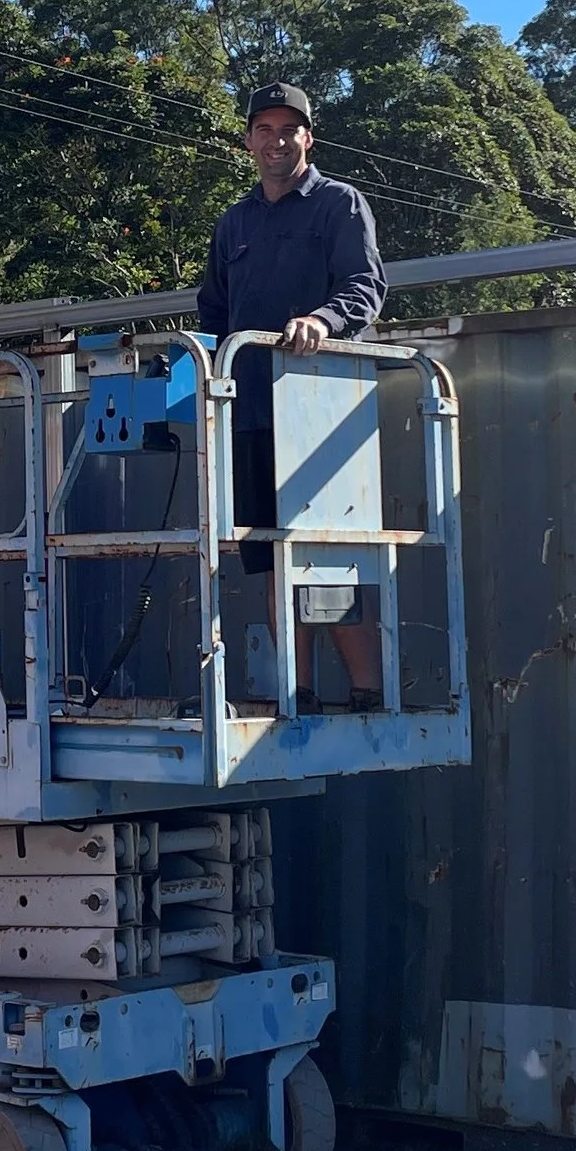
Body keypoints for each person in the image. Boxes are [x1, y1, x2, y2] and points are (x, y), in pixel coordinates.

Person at [195, 84, 386, 705]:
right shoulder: (234, 221)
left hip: (322, 409)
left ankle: (365, 691)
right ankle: (295, 692)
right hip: (248, 412)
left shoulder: (340, 204)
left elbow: (365, 286)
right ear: (248, 140)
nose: (276, 141)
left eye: (289, 130)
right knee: (273, 556)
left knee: (331, 554)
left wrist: (323, 322)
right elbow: (214, 311)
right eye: (265, 129)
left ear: (309, 138)